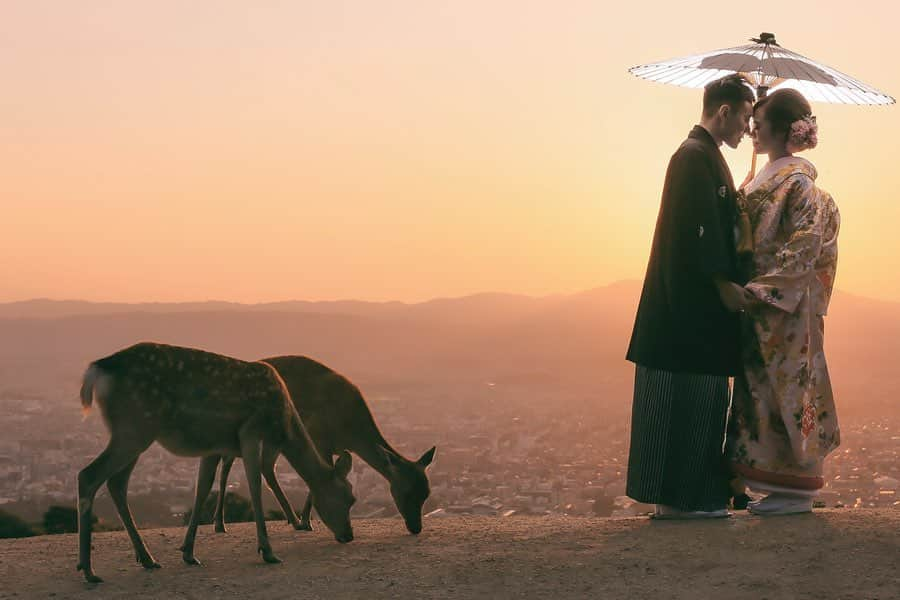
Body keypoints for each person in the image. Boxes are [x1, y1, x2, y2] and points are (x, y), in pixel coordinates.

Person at [625, 74, 754, 519]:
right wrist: (722, 283)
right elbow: (699, 228)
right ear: (724, 111)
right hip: (687, 307)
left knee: (695, 404)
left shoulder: (704, 156)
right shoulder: (693, 156)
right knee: (683, 404)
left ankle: (688, 499)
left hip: (688, 308)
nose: (747, 128)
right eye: (744, 117)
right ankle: (683, 501)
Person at [726, 88, 840, 515]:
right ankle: (775, 484)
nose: (753, 131)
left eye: (759, 124)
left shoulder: (798, 184)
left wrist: (762, 289)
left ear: (780, 130)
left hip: (784, 307)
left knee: (789, 390)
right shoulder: (770, 178)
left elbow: (805, 245)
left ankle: (794, 487)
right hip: (767, 303)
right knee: (761, 390)